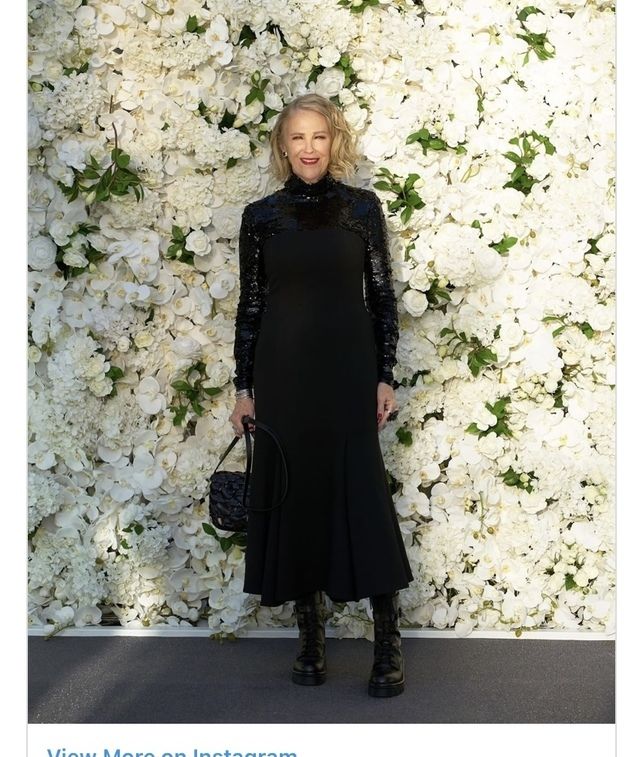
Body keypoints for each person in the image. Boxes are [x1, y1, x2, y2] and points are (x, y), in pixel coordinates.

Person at [229, 93, 414, 698]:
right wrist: (244, 389)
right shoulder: (260, 217)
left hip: (347, 375)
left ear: (334, 142)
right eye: (298, 138)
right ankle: (310, 641)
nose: (309, 148)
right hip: (282, 379)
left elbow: (381, 295)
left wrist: (384, 375)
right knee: (295, 500)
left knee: (362, 499)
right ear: (283, 147)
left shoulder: (362, 208)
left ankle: (387, 645)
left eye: (319, 136)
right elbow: (251, 305)